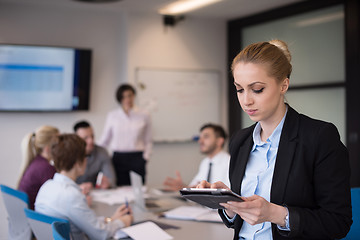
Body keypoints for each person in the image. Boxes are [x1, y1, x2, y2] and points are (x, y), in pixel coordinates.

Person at [197, 40, 352, 239]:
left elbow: (338, 222)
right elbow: (238, 224)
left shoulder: (319, 137)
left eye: (257, 89)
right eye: (239, 89)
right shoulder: (240, 140)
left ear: (283, 85)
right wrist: (229, 203)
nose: (246, 100)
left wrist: (275, 214)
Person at [35, 134, 133, 240]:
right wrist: (123, 222)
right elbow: (101, 234)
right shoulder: (72, 196)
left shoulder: (46, 187)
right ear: (78, 164)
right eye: (86, 157)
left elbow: (85, 222)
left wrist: (110, 219)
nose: (87, 160)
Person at [99, 83, 152, 186]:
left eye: (130, 96)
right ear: (119, 99)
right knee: (119, 188)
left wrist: (146, 157)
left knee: (139, 189)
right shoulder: (113, 115)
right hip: (119, 158)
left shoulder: (144, 114)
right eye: (123, 97)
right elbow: (105, 139)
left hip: (137, 157)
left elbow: (148, 140)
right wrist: (92, 150)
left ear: (134, 96)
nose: (127, 99)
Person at [163, 123, 230, 191]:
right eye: (200, 138)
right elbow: (195, 187)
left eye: (206, 137)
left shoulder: (229, 163)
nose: (200, 141)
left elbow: (229, 192)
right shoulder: (205, 162)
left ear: (219, 141)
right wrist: (183, 187)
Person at [18, 125, 59, 210]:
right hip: (38, 218)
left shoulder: (36, 162)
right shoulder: (46, 169)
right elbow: (58, 200)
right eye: (59, 143)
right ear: (48, 148)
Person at [74, 120, 116, 192]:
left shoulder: (101, 152)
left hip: (94, 193)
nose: (90, 141)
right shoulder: (69, 154)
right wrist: (78, 187)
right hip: (74, 192)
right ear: (76, 139)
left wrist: (107, 183)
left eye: (92, 136)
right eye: (85, 138)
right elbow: (63, 182)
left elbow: (111, 179)